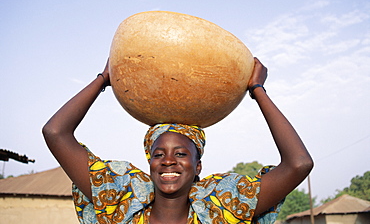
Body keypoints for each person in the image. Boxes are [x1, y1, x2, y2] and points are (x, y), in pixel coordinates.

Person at [43, 57, 313, 224]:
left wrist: (257, 90)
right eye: (158, 154)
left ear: (198, 166)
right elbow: (55, 133)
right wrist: (105, 78)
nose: (168, 160)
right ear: (150, 163)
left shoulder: (224, 209)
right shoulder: (119, 205)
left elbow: (299, 164)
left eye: (181, 154)